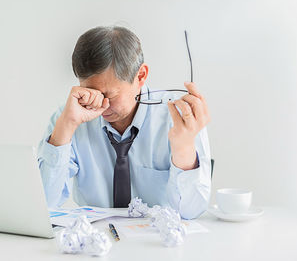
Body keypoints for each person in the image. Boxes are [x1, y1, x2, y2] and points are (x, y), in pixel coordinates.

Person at [37, 26, 211, 219]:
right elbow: (43, 205)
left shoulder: (181, 119)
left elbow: (191, 212)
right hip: (96, 241)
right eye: (90, 93)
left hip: (159, 241)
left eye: (109, 95)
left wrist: (184, 149)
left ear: (141, 75)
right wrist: (66, 128)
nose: (100, 105)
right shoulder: (69, 116)